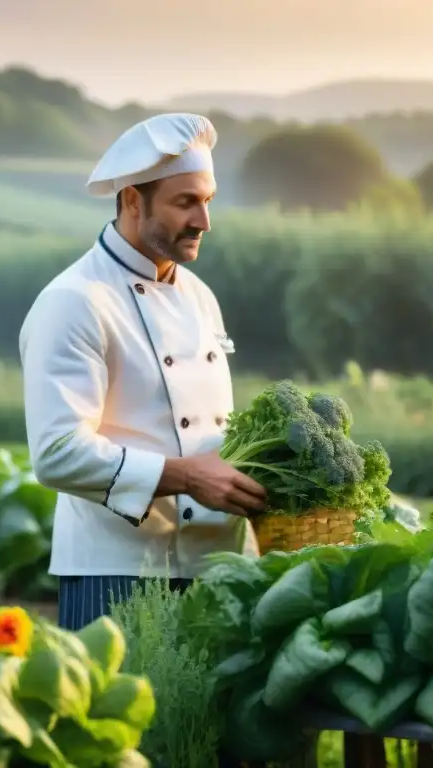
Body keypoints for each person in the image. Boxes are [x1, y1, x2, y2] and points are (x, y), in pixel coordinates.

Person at [19, 113, 266, 631]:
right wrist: (188, 477)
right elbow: (57, 454)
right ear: (133, 200)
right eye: (185, 203)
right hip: (118, 574)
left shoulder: (200, 298)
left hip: (216, 571)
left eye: (208, 201)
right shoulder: (74, 302)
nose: (204, 221)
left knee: (204, 717)